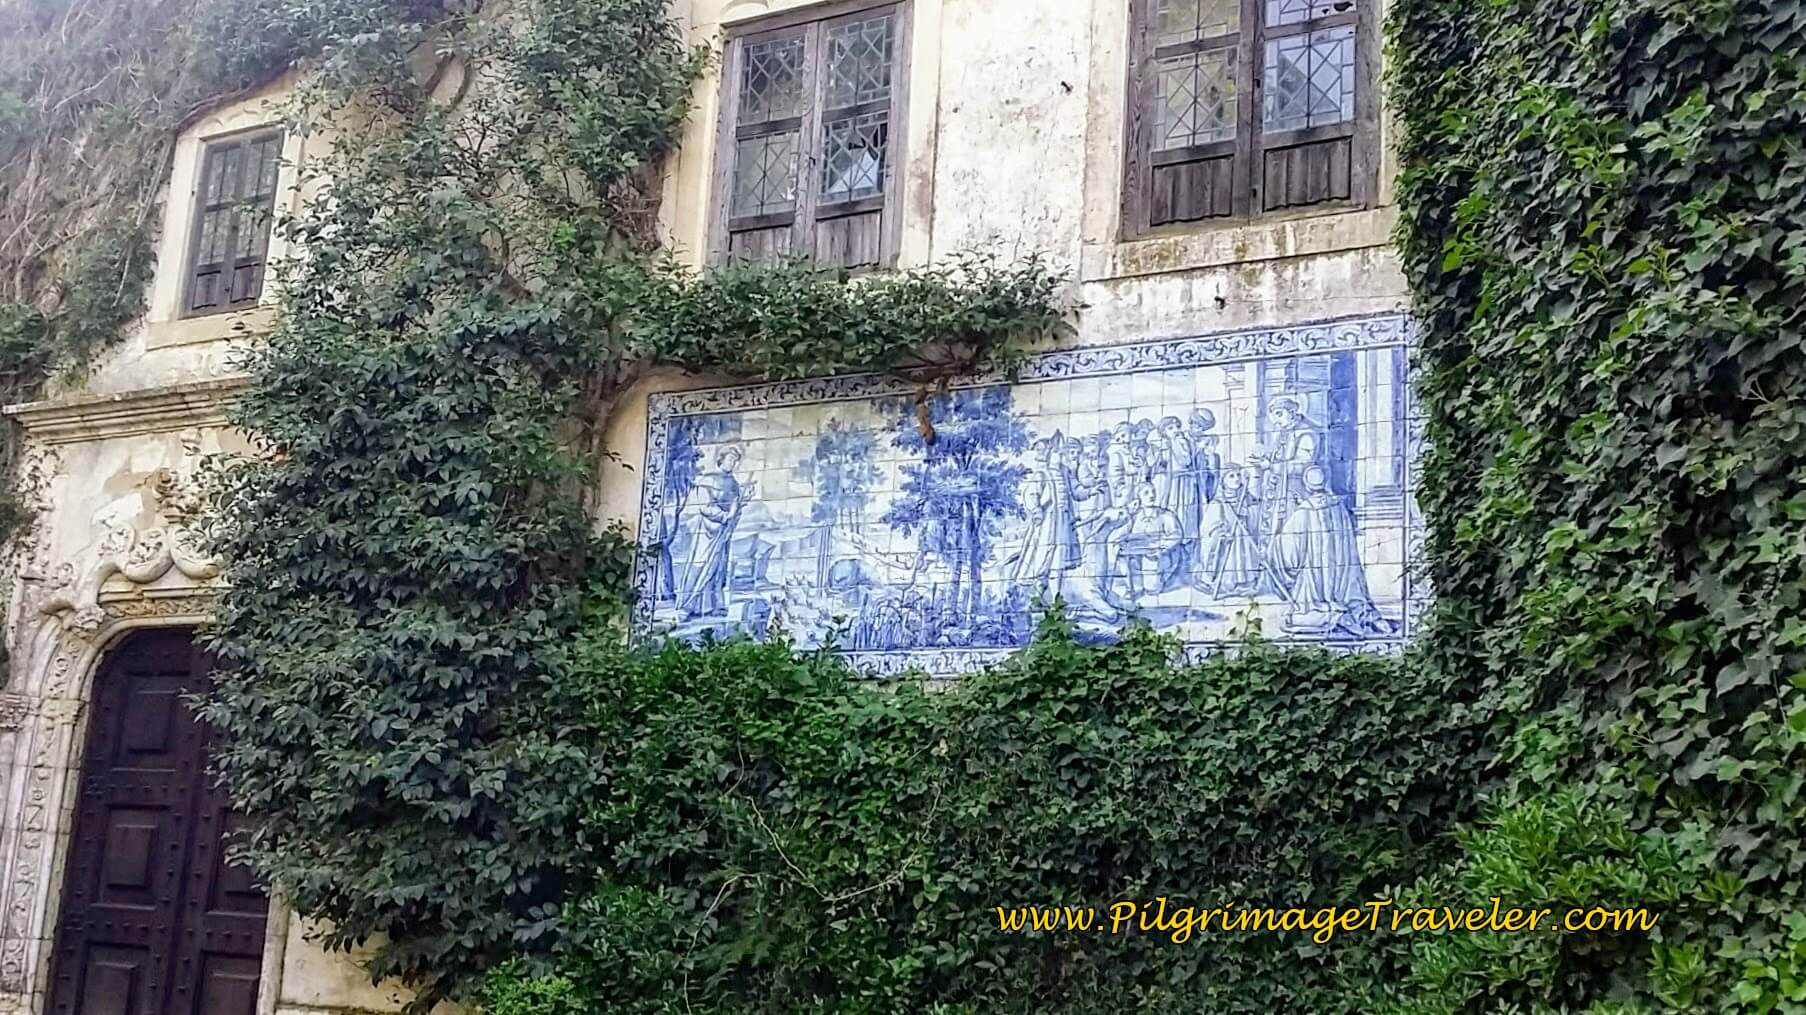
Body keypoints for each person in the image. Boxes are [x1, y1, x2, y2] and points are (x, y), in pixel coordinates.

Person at [1273, 465, 1392, 636]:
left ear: (1306, 485)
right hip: (1344, 577)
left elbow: (1289, 553)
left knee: (1293, 618)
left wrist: (1273, 544)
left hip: (1313, 584)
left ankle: (1335, 617)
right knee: (1355, 600)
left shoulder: (1303, 512)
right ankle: (1365, 616)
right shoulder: (1339, 507)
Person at [677, 445, 753, 619]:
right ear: (721, 459)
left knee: (718, 569)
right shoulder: (708, 480)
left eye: (735, 461)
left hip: (722, 532)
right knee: (701, 565)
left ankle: (713, 605)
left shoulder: (733, 483)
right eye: (730, 459)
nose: (732, 463)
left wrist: (740, 504)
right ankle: (688, 605)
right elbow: (705, 507)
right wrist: (725, 516)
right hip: (707, 531)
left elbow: (735, 507)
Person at [1010, 434, 1081, 593]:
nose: (1060, 456)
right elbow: (1031, 494)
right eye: (1057, 453)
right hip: (1047, 524)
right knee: (1042, 558)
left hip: (1063, 523)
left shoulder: (1065, 473)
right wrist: (1036, 511)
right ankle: (1039, 596)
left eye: (1061, 453)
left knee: (1059, 560)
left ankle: (1057, 599)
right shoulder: (1042, 474)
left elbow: (1076, 491)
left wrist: (1090, 491)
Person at [1252, 397, 1323, 546]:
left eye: (1279, 414)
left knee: (1291, 535)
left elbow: (1302, 464)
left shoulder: (1306, 433)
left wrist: (1270, 466)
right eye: (1273, 417)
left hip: (1295, 492)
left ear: (1292, 412)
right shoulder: (1283, 433)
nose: (1276, 421)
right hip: (1277, 492)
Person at [1117, 481, 1185, 603]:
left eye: (1153, 492)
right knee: (1124, 559)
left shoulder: (1166, 515)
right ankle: (1133, 586)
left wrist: (1161, 546)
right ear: (1139, 497)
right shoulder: (1134, 516)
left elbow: (1176, 534)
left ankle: (1154, 581)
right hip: (1136, 555)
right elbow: (1121, 534)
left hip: (1158, 554)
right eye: (1146, 493)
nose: (1151, 496)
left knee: (1152, 589)